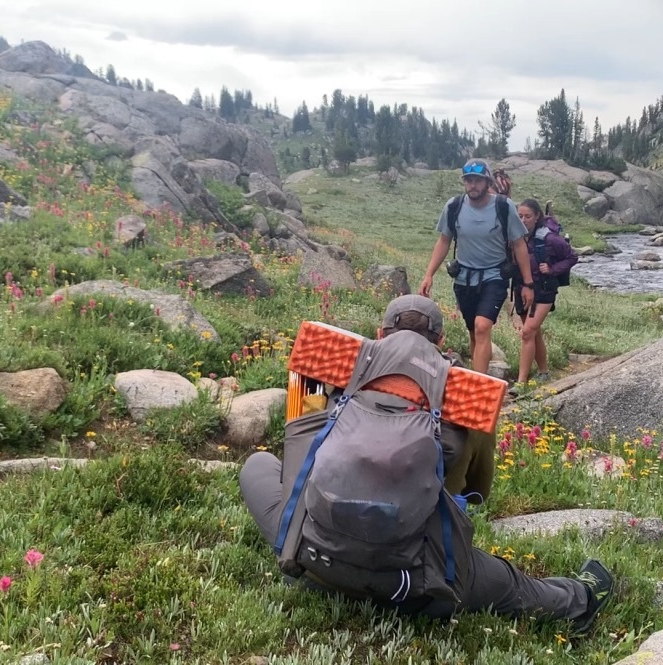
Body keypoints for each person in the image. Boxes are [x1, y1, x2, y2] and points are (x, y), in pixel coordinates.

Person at [239, 295, 613, 633]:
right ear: (439, 341)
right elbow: (477, 493)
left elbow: (299, 450)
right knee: (513, 586)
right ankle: (582, 599)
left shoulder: (328, 371)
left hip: (311, 557)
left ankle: (311, 560)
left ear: (379, 333)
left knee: (258, 466)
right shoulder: (467, 399)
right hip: (414, 582)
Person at [419, 158, 534, 375]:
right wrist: (428, 275)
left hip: (495, 277)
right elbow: (444, 241)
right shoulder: (454, 206)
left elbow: (519, 245)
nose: (473, 185)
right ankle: (477, 374)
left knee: (483, 326)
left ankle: (477, 385)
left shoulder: (503, 206)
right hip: (464, 279)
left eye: (478, 180)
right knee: (474, 331)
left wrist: (528, 283)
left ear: (487, 182)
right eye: (468, 180)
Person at [510, 199, 578, 393]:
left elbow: (572, 257)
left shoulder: (549, 239)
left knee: (527, 332)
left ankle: (521, 383)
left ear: (537, 216)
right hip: (521, 289)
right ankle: (543, 371)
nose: (523, 220)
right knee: (534, 332)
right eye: (520, 216)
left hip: (545, 290)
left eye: (528, 216)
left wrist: (553, 268)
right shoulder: (514, 237)